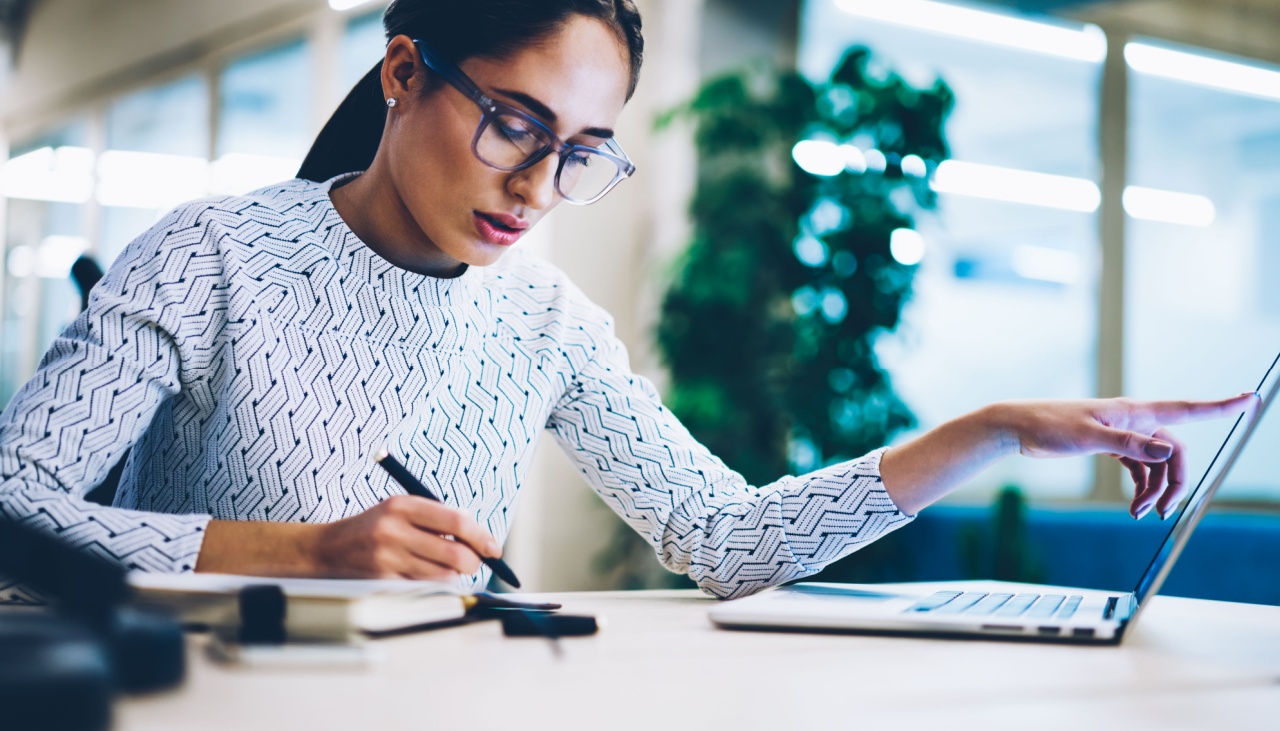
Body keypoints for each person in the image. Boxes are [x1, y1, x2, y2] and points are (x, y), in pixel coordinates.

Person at [0, 0, 1256, 603]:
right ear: (401, 72)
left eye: (582, 150)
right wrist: (302, 551)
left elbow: (726, 539)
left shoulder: (539, 321)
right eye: (511, 125)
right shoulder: (210, 254)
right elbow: (15, 508)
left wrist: (986, 430)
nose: (540, 186)